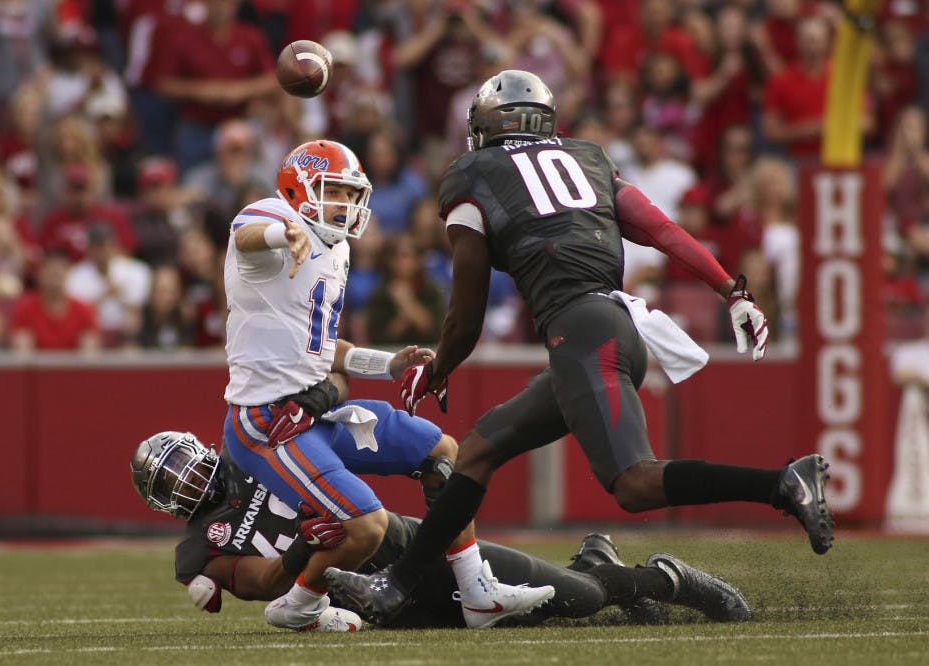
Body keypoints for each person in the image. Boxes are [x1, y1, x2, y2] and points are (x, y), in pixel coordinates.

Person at [324, 69, 835, 624]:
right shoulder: (588, 156)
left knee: (635, 484)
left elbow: (467, 310)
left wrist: (439, 367)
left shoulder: (471, 173)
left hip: (583, 333)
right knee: (477, 450)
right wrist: (730, 289)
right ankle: (394, 587)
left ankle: (783, 484)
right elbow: (662, 230)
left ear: (487, 126)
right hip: (614, 325)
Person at [217, 138, 554, 631]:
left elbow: (320, 346)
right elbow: (248, 234)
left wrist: (389, 364)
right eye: (336, 192)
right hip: (268, 424)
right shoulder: (269, 219)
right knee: (367, 529)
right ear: (299, 189)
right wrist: (281, 233)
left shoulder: (335, 249)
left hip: (316, 414)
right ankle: (300, 606)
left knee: (444, 453)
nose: (348, 206)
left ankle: (476, 592)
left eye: (353, 195)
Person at [129, 430, 753, 630]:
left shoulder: (254, 451)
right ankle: (597, 562)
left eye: (182, 460)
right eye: (170, 478)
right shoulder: (195, 552)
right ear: (162, 501)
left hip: (408, 548)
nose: (186, 477)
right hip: (375, 606)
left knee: (581, 601)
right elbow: (262, 581)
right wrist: (305, 544)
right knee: (541, 616)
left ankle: (664, 578)